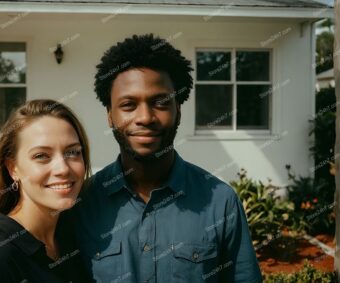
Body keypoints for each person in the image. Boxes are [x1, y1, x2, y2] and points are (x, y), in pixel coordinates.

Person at [71, 34, 263, 282]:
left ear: (178, 110)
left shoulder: (220, 202)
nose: (145, 117)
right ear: (110, 115)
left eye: (160, 102)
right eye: (128, 104)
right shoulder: (82, 204)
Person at [0, 99, 92, 283]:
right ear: (13, 168)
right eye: (41, 156)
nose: (64, 169)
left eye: (73, 152)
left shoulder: (73, 235)